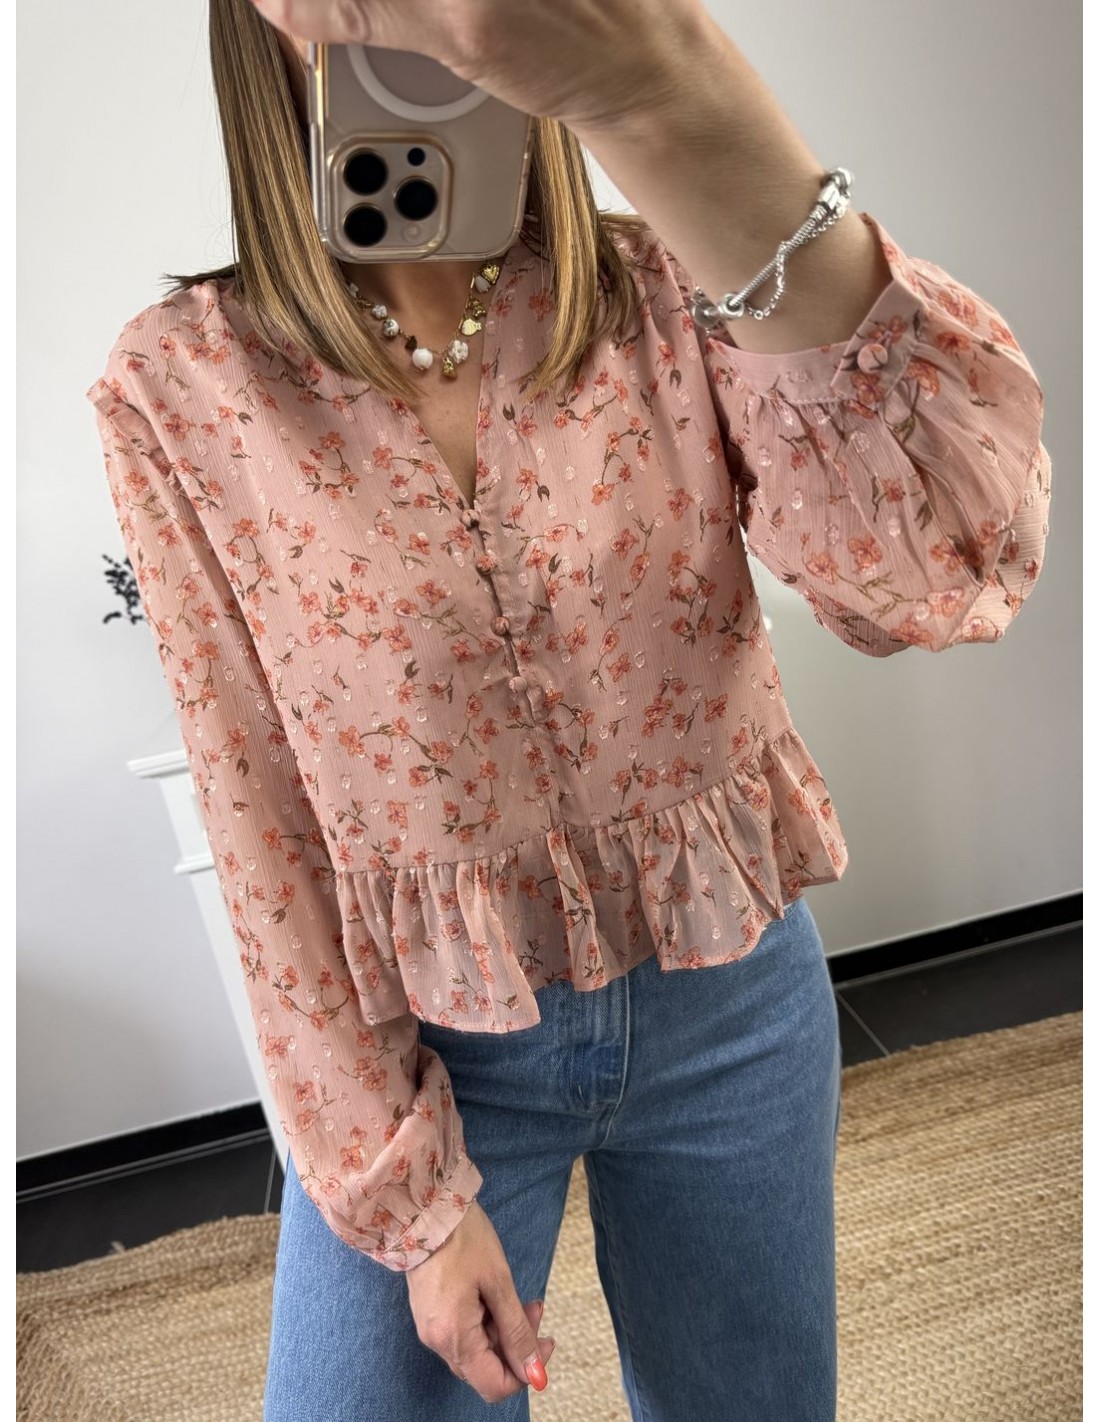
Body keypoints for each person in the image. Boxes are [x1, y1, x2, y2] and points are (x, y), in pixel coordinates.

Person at [86, 1, 1053, 1417]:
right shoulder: (180, 386)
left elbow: (936, 568)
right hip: (433, 1045)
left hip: (734, 999)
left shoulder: (669, 287)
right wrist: (412, 1202)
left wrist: (675, 93)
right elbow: (257, 822)